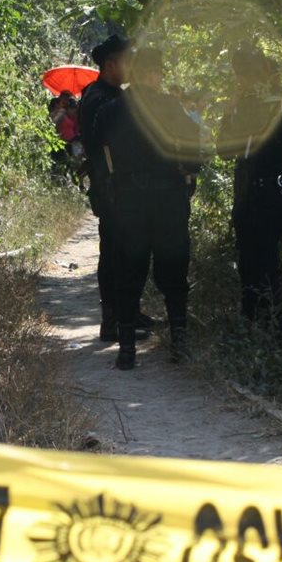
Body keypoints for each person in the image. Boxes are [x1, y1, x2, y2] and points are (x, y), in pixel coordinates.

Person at [95, 47, 202, 370]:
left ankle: (126, 350)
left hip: (128, 201)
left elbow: (99, 156)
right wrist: (186, 174)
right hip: (169, 198)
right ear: (154, 73)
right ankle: (179, 344)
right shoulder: (171, 108)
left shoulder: (111, 111)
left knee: (129, 273)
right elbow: (194, 154)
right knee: (173, 273)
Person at [219, 47, 282, 323]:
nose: (241, 82)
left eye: (243, 76)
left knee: (256, 256)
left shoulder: (263, 105)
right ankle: (267, 317)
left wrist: (231, 111)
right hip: (276, 188)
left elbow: (224, 148)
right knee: (264, 254)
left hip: (261, 190)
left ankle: (258, 318)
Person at [79, 35, 153, 342]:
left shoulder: (109, 94)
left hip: (122, 189)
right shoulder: (99, 99)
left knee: (127, 252)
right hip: (111, 191)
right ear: (111, 65)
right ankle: (113, 321)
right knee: (115, 255)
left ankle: (128, 313)